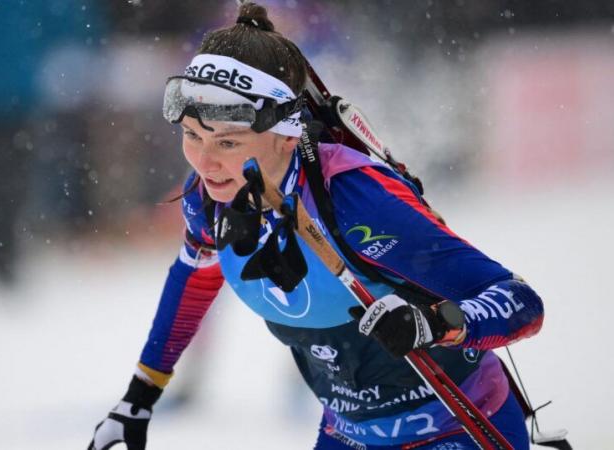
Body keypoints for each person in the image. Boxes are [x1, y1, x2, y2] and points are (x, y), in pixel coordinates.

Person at [88, 2, 544, 449]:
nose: (206, 162)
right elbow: (195, 277)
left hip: (457, 428)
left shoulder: (356, 199)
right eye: (192, 135)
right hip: (347, 434)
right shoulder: (211, 195)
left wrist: (435, 324)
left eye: (227, 141)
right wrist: (139, 398)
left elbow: (520, 301)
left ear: (286, 135)